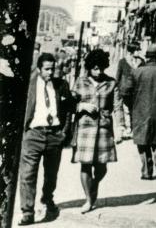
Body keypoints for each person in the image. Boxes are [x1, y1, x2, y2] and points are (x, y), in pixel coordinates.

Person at [18, 53, 74, 226]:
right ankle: (27, 212)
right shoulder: (29, 85)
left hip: (54, 135)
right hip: (33, 134)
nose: (50, 72)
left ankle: (47, 197)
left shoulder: (61, 85)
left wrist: (64, 132)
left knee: (51, 175)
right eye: (47, 69)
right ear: (39, 68)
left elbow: (70, 108)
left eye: (52, 68)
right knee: (27, 174)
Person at [71, 49, 125, 213]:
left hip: (103, 128)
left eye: (101, 68)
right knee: (85, 165)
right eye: (95, 68)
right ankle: (89, 200)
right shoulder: (80, 82)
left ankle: (93, 186)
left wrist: (120, 126)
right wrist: (81, 106)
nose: (98, 71)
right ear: (89, 67)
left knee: (102, 167)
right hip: (85, 129)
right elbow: (69, 103)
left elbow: (118, 106)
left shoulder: (111, 83)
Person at [122, 45, 156, 181]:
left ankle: (146, 170)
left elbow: (125, 91)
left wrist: (132, 105)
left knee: (143, 142)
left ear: (146, 57)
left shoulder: (136, 72)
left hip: (140, 112)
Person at [115, 42, 141, 138]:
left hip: (137, 90)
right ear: (131, 51)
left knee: (135, 109)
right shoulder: (123, 61)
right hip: (125, 90)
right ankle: (128, 128)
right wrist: (116, 86)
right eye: (137, 50)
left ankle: (135, 128)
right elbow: (118, 75)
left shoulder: (141, 62)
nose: (139, 52)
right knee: (126, 109)